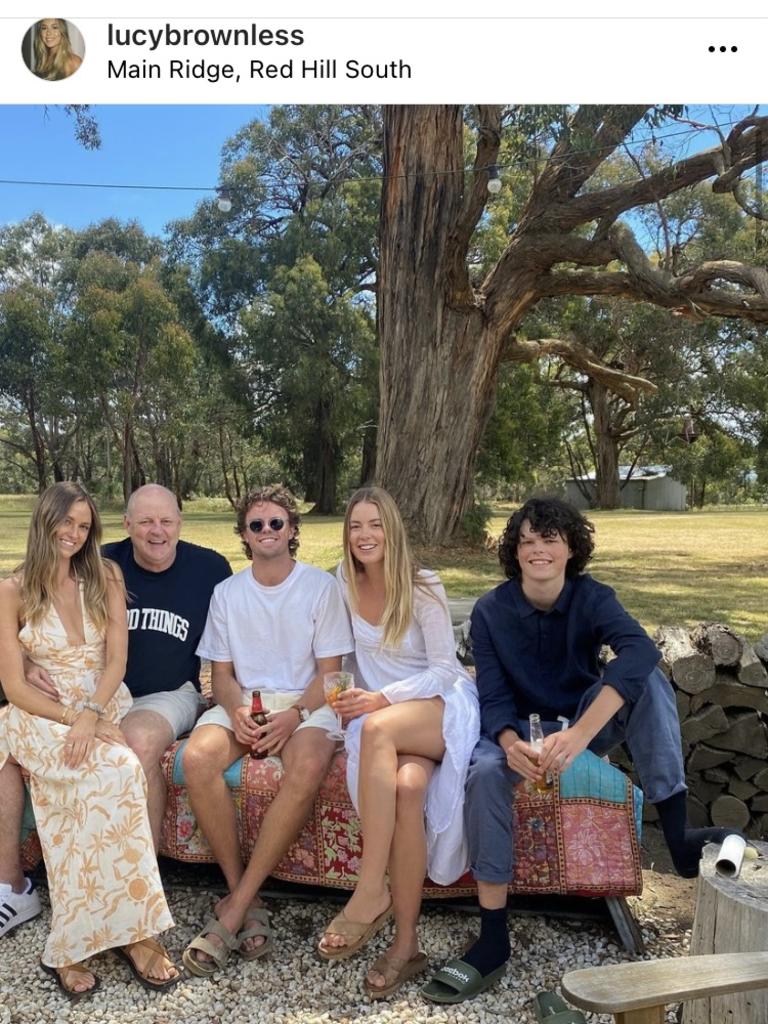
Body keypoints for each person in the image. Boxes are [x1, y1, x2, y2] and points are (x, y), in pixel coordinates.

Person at [422, 496, 737, 1004]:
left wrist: (580, 735)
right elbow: (493, 695)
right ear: (515, 551)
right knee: (482, 773)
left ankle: (678, 839)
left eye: (549, 539)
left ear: (571, 549)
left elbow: (638, 650)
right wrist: (508, 742)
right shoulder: (490, 610)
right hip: (519, 731)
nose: (537, 550)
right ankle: (493, 935)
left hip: (586, 722)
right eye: (526, 540)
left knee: (650, 681)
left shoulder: (592, 597)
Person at [0, 483, 231, 938]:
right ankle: (15, 884)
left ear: (181, 523)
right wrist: (27, 661)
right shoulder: (96, 560)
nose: (157, 531)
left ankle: (141, 888)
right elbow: (32, 623)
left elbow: (240, 626)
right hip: (92, 695)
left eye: (167, 520)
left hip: (166, 693)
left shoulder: (209, 568)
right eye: (145, 521)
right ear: (126, 525)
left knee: (136, 745)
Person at [0, 482, 177, 999]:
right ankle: (73, 943)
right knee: (85, 780)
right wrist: (71, 718)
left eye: (83, 526)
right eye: (66, 523)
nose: (74, 535)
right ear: (44, 521)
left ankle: (137, 931)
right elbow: (13, 685)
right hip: (39, 714)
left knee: (121, 771)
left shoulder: (105, 575)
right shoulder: (11, 591)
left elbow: (116, 659)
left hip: (101, 701)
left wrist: (92, 712)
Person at [181, 484, 354, 977]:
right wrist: (235, 711)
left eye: (276, 522)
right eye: (256, 525)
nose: (267, 531)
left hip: (307, 705)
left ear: (292, 530)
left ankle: (232, 911)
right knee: (196, 758)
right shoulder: (228, 593)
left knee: (309, 763)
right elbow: (221, 676)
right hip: (246, 703)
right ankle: (244, 895)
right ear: (244, 536)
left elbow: (330, 673)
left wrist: (294, 716)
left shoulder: (320, 588)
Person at [317, 487, 479, 999]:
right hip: (382, 714)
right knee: (409, 789)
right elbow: (342, 660)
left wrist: (380, 699)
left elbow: (443, 670)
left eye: (375, 525)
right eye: (356, 526)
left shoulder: (423, 585)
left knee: (377, 728)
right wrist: (344, 695)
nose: (365, 536)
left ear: (392, 530)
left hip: (436, 706)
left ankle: (369, 891)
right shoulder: (342, 583)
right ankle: (405, 946)